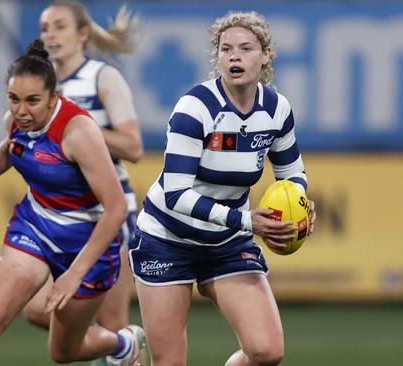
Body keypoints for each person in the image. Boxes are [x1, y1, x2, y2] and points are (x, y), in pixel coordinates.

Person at [0, 39, 145, 365]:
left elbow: (116, 209)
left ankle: (123, 343)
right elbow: (10, 148)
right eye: (14, 99)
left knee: (63, 352)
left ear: (54, 98)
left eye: (32, 101)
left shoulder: (78, 133)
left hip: (86, 244)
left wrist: (74, 274)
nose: (21, 110)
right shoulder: (16, 121)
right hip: (35, 228)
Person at [128, 11, 316, 366]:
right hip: (167, 239)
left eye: (246, 48)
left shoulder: (276, 109)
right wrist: (248, 222)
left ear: (266, 55)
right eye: (226, 48)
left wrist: (302, 202)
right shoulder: (194, 108)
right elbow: (176, 194)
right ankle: (127, 355)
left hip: (225, 242)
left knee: (267, 351)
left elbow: (292, 173)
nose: (235, 56)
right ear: (217, 58)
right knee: (168, 362)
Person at [22, 0, 144, 341]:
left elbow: (133, 146)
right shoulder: (42, 85)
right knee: (35, 307)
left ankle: (120, 345)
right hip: (60, 217)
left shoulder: (102, 77)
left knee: (113, 324)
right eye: (45, 27)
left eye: (60, 26)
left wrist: (72, 125)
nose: (50, 34)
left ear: (83, 33)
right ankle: (119, 345)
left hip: (107, 213)